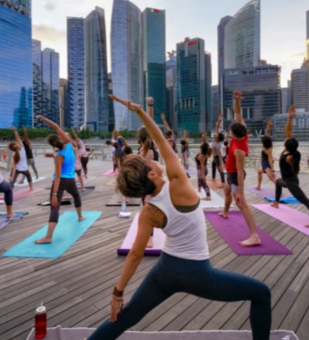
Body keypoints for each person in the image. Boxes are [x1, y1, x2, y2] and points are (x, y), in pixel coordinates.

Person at [89, 94, 271, 340]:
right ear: (151, 175)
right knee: (261, 293)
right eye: (147, 161)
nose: (150, 158)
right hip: (198, 274)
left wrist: (117, 294)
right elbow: (161, 140)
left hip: (164, 272)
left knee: (126, 316)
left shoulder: (148, 211)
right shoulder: (178, 183)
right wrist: (141, 112)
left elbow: (135, 254)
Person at [219, 91, 262, 247]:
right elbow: (237, 112)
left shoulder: (239, 150)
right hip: (230, 174)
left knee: (241, 203)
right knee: (225, 190)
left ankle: (254, 235)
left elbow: (239, 172)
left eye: (230, 133)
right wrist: (236, 100)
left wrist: (241, 193)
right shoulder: (242, 129)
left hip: (234, 174)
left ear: (235, 136)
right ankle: (225, 211)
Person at [35, 114, 85, 244]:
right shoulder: (69, 144)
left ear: (53, 145)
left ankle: (48, 237)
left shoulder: (58, 156)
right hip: (71, 179)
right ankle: (80, 216)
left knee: (54, 207)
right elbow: (56, 127)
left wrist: (55, 195)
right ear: (60, 138)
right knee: (76, 195)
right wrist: (44, 119)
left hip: (61, 181)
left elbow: (57, 176)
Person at [273, 105, 309, 228]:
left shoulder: (289, 157)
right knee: (277, 182)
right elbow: (288, 131)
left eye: (286, 140)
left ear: (287, 145)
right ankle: (276, 202)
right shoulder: (289, 151)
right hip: (287, 180)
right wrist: (290, 118)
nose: (285, 139)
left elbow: (291, 160)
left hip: (291, 182)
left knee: (304, 200)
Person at [8, 126, 33, 191]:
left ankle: (9, 192)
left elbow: (14, 166)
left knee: (12, 182)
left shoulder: (14, 154)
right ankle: (31, 188)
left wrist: (11, 177)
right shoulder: (22, 148)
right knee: (29, 177)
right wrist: (15, 130)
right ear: (16, 146)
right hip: (25, 168)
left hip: (17, 169)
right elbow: (18, 138)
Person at [255, 120, 276, 190]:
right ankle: (258, 186)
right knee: (259, 172)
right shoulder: (265, 145)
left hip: (267, 164)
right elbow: (267, 132)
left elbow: (270, 159)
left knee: (271, 178)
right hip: (264, 163)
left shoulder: (268, 149)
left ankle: (279, 190)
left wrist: (272, 169)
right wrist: (268, 125)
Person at [195, 132, 212, 201]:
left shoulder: (202, 155)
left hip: (202, 170)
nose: (200, 144)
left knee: (202, 182)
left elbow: (202, 165)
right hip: (200, 169)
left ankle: (208, 196)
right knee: (199, 180)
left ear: (202, 147)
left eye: (201, 145)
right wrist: (203, 136)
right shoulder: (202, 152)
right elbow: (204, 142)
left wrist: (203, 176)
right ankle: (199, 189)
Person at [211, 114, 226, 184]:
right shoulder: (215, 140)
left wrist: (221, 164)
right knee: (213, 164)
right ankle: (213, 178)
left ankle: (223, 182)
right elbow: (217, 128)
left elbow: (220, 155)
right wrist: (219, 121)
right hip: (215, 156)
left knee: (220, 169)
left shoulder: (218, 144)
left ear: (218, 137)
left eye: (216, 135)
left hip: (217, 157)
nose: (215, 134)